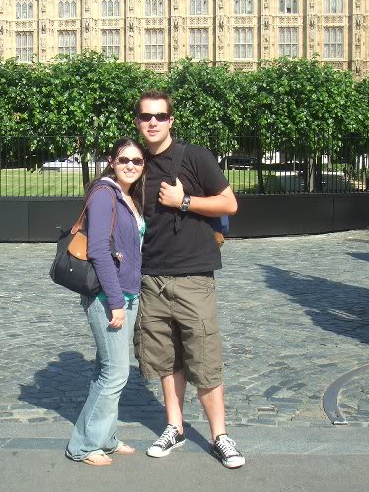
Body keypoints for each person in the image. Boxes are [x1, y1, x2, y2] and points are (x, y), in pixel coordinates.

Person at [132, 90, 244, 469]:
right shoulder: (137, 163)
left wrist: (183, 201)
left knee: (205, 358)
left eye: (160, 116)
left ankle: (220, 435)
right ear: (137, 121)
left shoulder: (195, 157)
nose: (153, 122)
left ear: (171, 121)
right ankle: (174, 427)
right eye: (146, 116)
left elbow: (229, 203)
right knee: (167, 358)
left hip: (194, 276)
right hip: (152, 277)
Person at [66, 138, 147, 466]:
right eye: (124, 159)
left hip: (127, 294)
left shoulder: (128, 196)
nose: (130, 166)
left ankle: (106, 437)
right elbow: (98, 249)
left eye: (137, 161)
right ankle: (83, 446)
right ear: (112, 161)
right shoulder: (104, 194)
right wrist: (115, 301)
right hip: (108, 297)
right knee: (115, 374)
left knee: (107, 369)